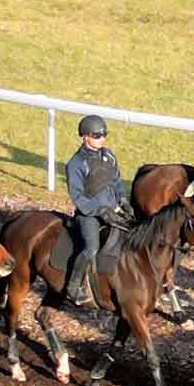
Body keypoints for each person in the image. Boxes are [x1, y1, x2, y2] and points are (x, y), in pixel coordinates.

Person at [64, 114, 124, 308]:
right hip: (89, 214)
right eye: (97, 136)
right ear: (85, 137)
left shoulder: (109, 156)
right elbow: (78, 197)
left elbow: (116, 181)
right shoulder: (75, 164)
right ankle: (74, 287)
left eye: (103, 135)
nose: (102, 139)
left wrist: (123, 199)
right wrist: (100, 211)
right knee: (91, 248)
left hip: (112, 209)